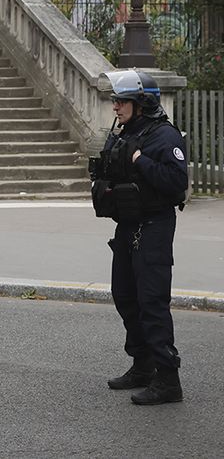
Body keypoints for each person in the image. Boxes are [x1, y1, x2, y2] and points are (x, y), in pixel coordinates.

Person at [90, 70, 187, 405]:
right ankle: (143, 365)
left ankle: (168, 380)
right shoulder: (125, 133)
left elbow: (176, 183)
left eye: (122, 101)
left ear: (141, 103)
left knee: (152, 302)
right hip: (127, 225)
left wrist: (139, 160)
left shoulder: (164, 136)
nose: (115, 107)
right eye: (115, 101)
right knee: (125, 296)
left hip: (154, 225)